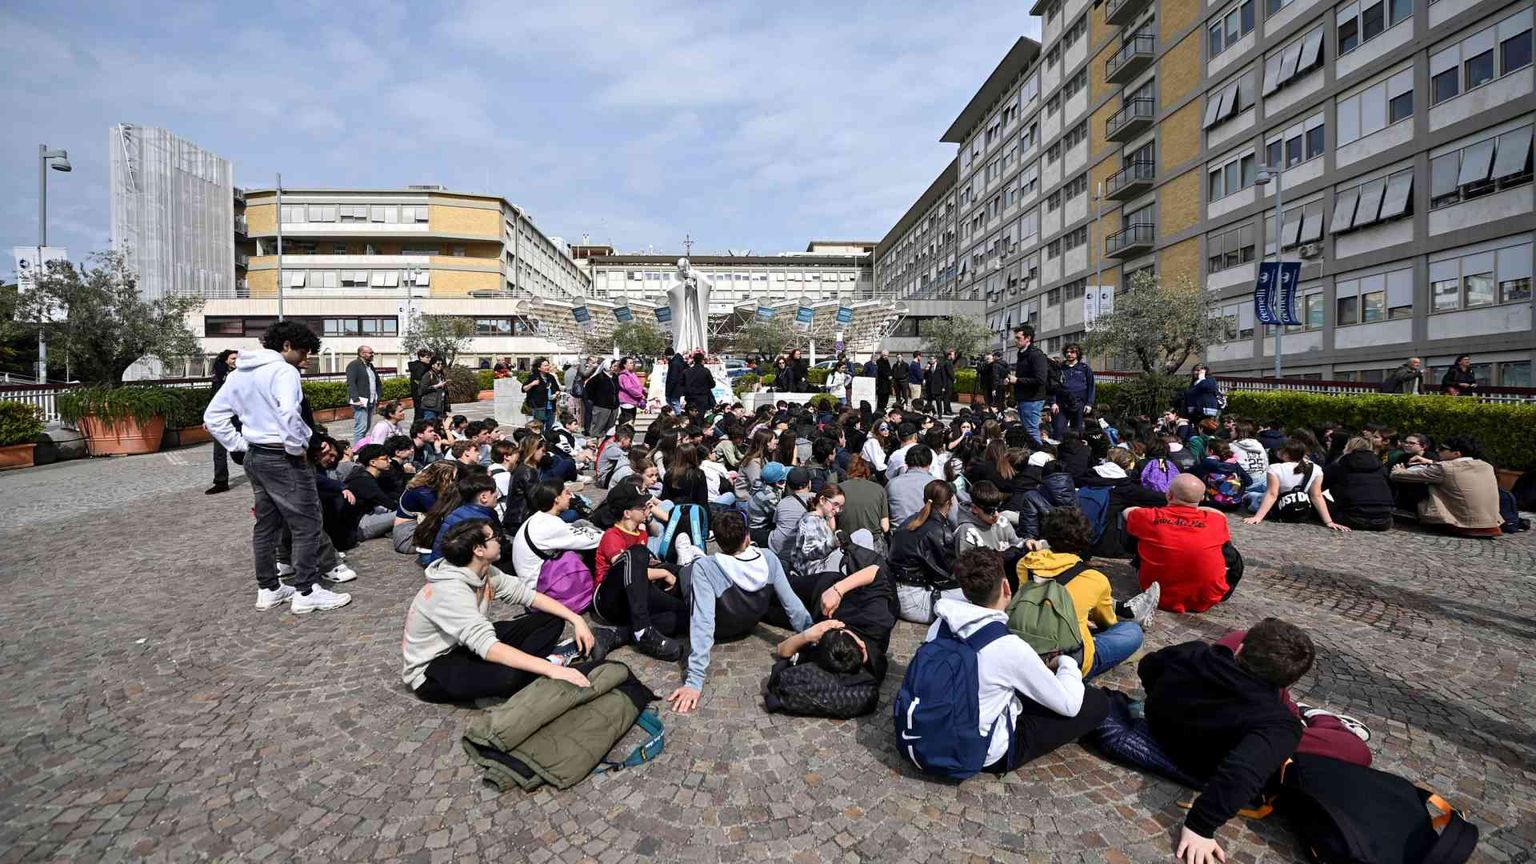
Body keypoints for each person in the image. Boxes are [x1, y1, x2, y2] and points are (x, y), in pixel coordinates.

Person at [1141, 619, 1371, 864]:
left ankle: (1294, 707)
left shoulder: (1193, 652)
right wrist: (1200, 827)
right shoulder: (1279, 726)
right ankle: (1319, 716)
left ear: (1240, 649)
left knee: (1244, 642)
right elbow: (1242, 772)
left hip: (1167, 723)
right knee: (1357, 750)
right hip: (1206, 755)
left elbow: (1148, 666)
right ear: (1289, 683)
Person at [203, 320, 351, 614]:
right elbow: (289, 414)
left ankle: (269, 588)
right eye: (304, 352)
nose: (306, 359)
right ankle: (306, 591)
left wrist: (241, 445)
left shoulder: (239, 373)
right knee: (307, 523)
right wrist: (303, 446)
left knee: (266, 525)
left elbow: (213, 417)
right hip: (282, 457)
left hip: (256, 456)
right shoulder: (284, 371)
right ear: (286, 346)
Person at [914, 549, 1108, 772]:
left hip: (933, 728)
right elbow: (1069, 706)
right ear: (1006, 587)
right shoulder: (1008, 646)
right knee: (1095, 702)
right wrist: (1066, 663)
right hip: (981, 751)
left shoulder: (941, 624)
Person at [401, 519, 608, 704]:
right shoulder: (450, 590)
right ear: (478, 550)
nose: (499, 540)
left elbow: (528, 596)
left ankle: (533, 665)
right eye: (494, 537)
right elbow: (487, 646)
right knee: (509, 677)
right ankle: (546, 664)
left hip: (465, 644)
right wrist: (553, 670)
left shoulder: (484, 570)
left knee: (550, 619)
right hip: (433, 668)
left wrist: (576, 620)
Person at [668, 511, 815, 713]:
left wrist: (694, 680)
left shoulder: (706, 568)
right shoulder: (769, 558)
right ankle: (691, 559)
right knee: (698, 568)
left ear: (718, 542)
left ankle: (686, 561)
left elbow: (703, 621)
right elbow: (792, 604)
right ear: (747, 536)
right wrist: (812, 633)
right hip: (750, 620)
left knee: (687, 573)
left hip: (722, 627)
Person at [1022, 508, 1158, 679]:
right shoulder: (1094, 579)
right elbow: (1107, 622)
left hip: (1024, 650)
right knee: (1131, 631)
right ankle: (1123, 615)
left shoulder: (1024, 563)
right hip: (1067, 662)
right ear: (1084, 542)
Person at [591, 483, 687, 661]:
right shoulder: (612, 536)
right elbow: (628, 569)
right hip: (609, 597)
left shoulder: (640, 533)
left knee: (685, 614)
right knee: (637, 554)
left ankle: (623, 634)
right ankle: (642, 628)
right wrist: (663, 574)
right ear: (627, 513)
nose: (647, 508)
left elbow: (640, 573)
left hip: (635, 595)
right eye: (642, 506)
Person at [1124, 474, 1242, 614]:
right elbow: (1220, 514)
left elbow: (1127, 512)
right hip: (1206, 598)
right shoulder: (1215, 520)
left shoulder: (1150, 517)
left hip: (1157, 595)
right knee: (1231, 553)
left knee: (1141, 535)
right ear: (1202, 498)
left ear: (1169, 495)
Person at [1390, 434, 1502, 536]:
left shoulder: (1444, 468)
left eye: (1443, 448)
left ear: (1456, 453)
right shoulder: (1486, 466)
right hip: (1490, 523)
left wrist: (1398, 470)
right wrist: (1431, 462)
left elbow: (1400, 476)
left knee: (1419, 485)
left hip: (1459, 524)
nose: (1438, 450)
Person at [508, 481, 605, 589]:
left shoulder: (539, 518)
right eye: (566, 492)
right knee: (587, 550)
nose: (570, 496)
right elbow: (591, 540)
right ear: (557, 498)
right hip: (539, 585)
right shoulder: (550, 524)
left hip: (531, 576)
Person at [889, 479, 959, 623]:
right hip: (915, 600)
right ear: (949, 503)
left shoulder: (909, 520)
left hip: (896, 593)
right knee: (977, 595)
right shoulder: (939, 531)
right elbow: (945, 576)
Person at [1242, 441, 1346, 529]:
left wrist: (1258, 517)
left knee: (1253, 496)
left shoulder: (1275, 468)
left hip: (1278, 508)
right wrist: (1329, 522)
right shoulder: (1316, 469)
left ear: (1286, 454)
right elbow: (1316, 496)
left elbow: (1272, 494)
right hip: (1301, 509)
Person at [1322, 437, 1395, 531]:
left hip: (1352, 518)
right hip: (1384, 521)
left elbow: (1319, 487)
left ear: (1348, 448)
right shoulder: (1381, 466)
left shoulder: (1341, 465)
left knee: (1318, 501)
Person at [346, 444, 402, 541]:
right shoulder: (364, 481)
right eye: (385, 459)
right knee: (406, 513)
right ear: (373, 462)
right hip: (360, 526)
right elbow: (389, 503)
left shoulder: (372, 476)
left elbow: (393, 493)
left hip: (369, 514)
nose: (390, 461)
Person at [791, 484, 845, 576]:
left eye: (840, 507)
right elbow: (808, 553)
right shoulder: (811, 520)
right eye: (835, 505)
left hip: (823, 566)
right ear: (822, 500)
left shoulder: (822, 519)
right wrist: (833, 543)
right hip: (815, 571)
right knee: (862, 535)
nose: (837, 510)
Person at [887, 445, 946, 530]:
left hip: (897, 536)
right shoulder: (938, 485)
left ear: (906, 462)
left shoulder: (892, 484)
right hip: (928, 536)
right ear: (929, 463)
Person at [206, 348, 239, 495]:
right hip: (222, 417)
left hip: (240, 417)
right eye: (233, 358)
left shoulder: (242, 374)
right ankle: (221, 481)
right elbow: (213, 399)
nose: (235, 361)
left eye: (237, 358)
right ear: (225, 360)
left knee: (247, 448)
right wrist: (207, 419)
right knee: (219, 451)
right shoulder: (218, 377)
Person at [1010, 326, 1049, 447]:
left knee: (1031, 430)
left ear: (1028, 338)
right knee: (1027, 430)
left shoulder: (1036, 355)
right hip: (1023, 398)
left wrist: (1017, 380)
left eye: (1018, 338)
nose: (1015, 340)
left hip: (1032, 399)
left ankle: (1038, 456)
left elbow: (1040, 379)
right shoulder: (1022, 353)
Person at [768, 467, 815, 561]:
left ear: (788, 486)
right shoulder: (818, 499)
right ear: (809, 483)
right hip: (805, 554)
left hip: (779, 551)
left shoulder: (782, 503)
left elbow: (776, 523)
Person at [1051, 343, 1095, 437]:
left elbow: (1091, 386)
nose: (1069, 354)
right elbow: (1053, 386)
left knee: (1077, 431)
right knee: (1058, 430)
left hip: (1079, 404)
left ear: (1078, 354)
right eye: (1067, 352)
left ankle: (1076, 449)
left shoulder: (1085, 368)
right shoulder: (1059, 368)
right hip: (1061, 404)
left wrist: (1089, 404)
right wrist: (1053, 402)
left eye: (1072, 352)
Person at [346, 346, 383, 443]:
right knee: (361, 427)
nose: (372, 355)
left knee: (367, 426)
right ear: (362, 354)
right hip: (360, 402)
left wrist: (378, 397)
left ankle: (361, 446)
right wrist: (356, 399)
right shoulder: (354, 365)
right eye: (370, 353)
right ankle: (357, 451)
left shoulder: (370, 366)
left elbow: (377, 382)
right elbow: (351, 383)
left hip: (371, 400)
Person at [582, 357, 618, 438]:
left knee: (610, 429)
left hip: (613, 407)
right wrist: (595, 400)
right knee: (598, 428)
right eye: (614, 366)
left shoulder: (615, 377)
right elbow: (588, 390)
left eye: (616, 366)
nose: (615, 368)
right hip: (601, 407)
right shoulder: (598, 378)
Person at [523, 357, 558, 427]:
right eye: (545, 366)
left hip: (551, 407)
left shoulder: (551, 377)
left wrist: (556, 394)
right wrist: (532, 384)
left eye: (548, 365)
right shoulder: (533, 377)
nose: (547, 367)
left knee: (549, 427)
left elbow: (557, 389)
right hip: (539, 408)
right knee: (540, 427)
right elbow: (524, 389)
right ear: (539, 368)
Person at [407, 349, 433, 418]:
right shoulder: (420, 367)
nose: (429, 359)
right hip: (420, 395)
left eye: (430, 357)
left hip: (418, 394)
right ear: (421, 357)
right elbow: (421, 380)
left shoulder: (421, 366)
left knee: (419, 415)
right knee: (420, 415)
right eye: (427, 357)